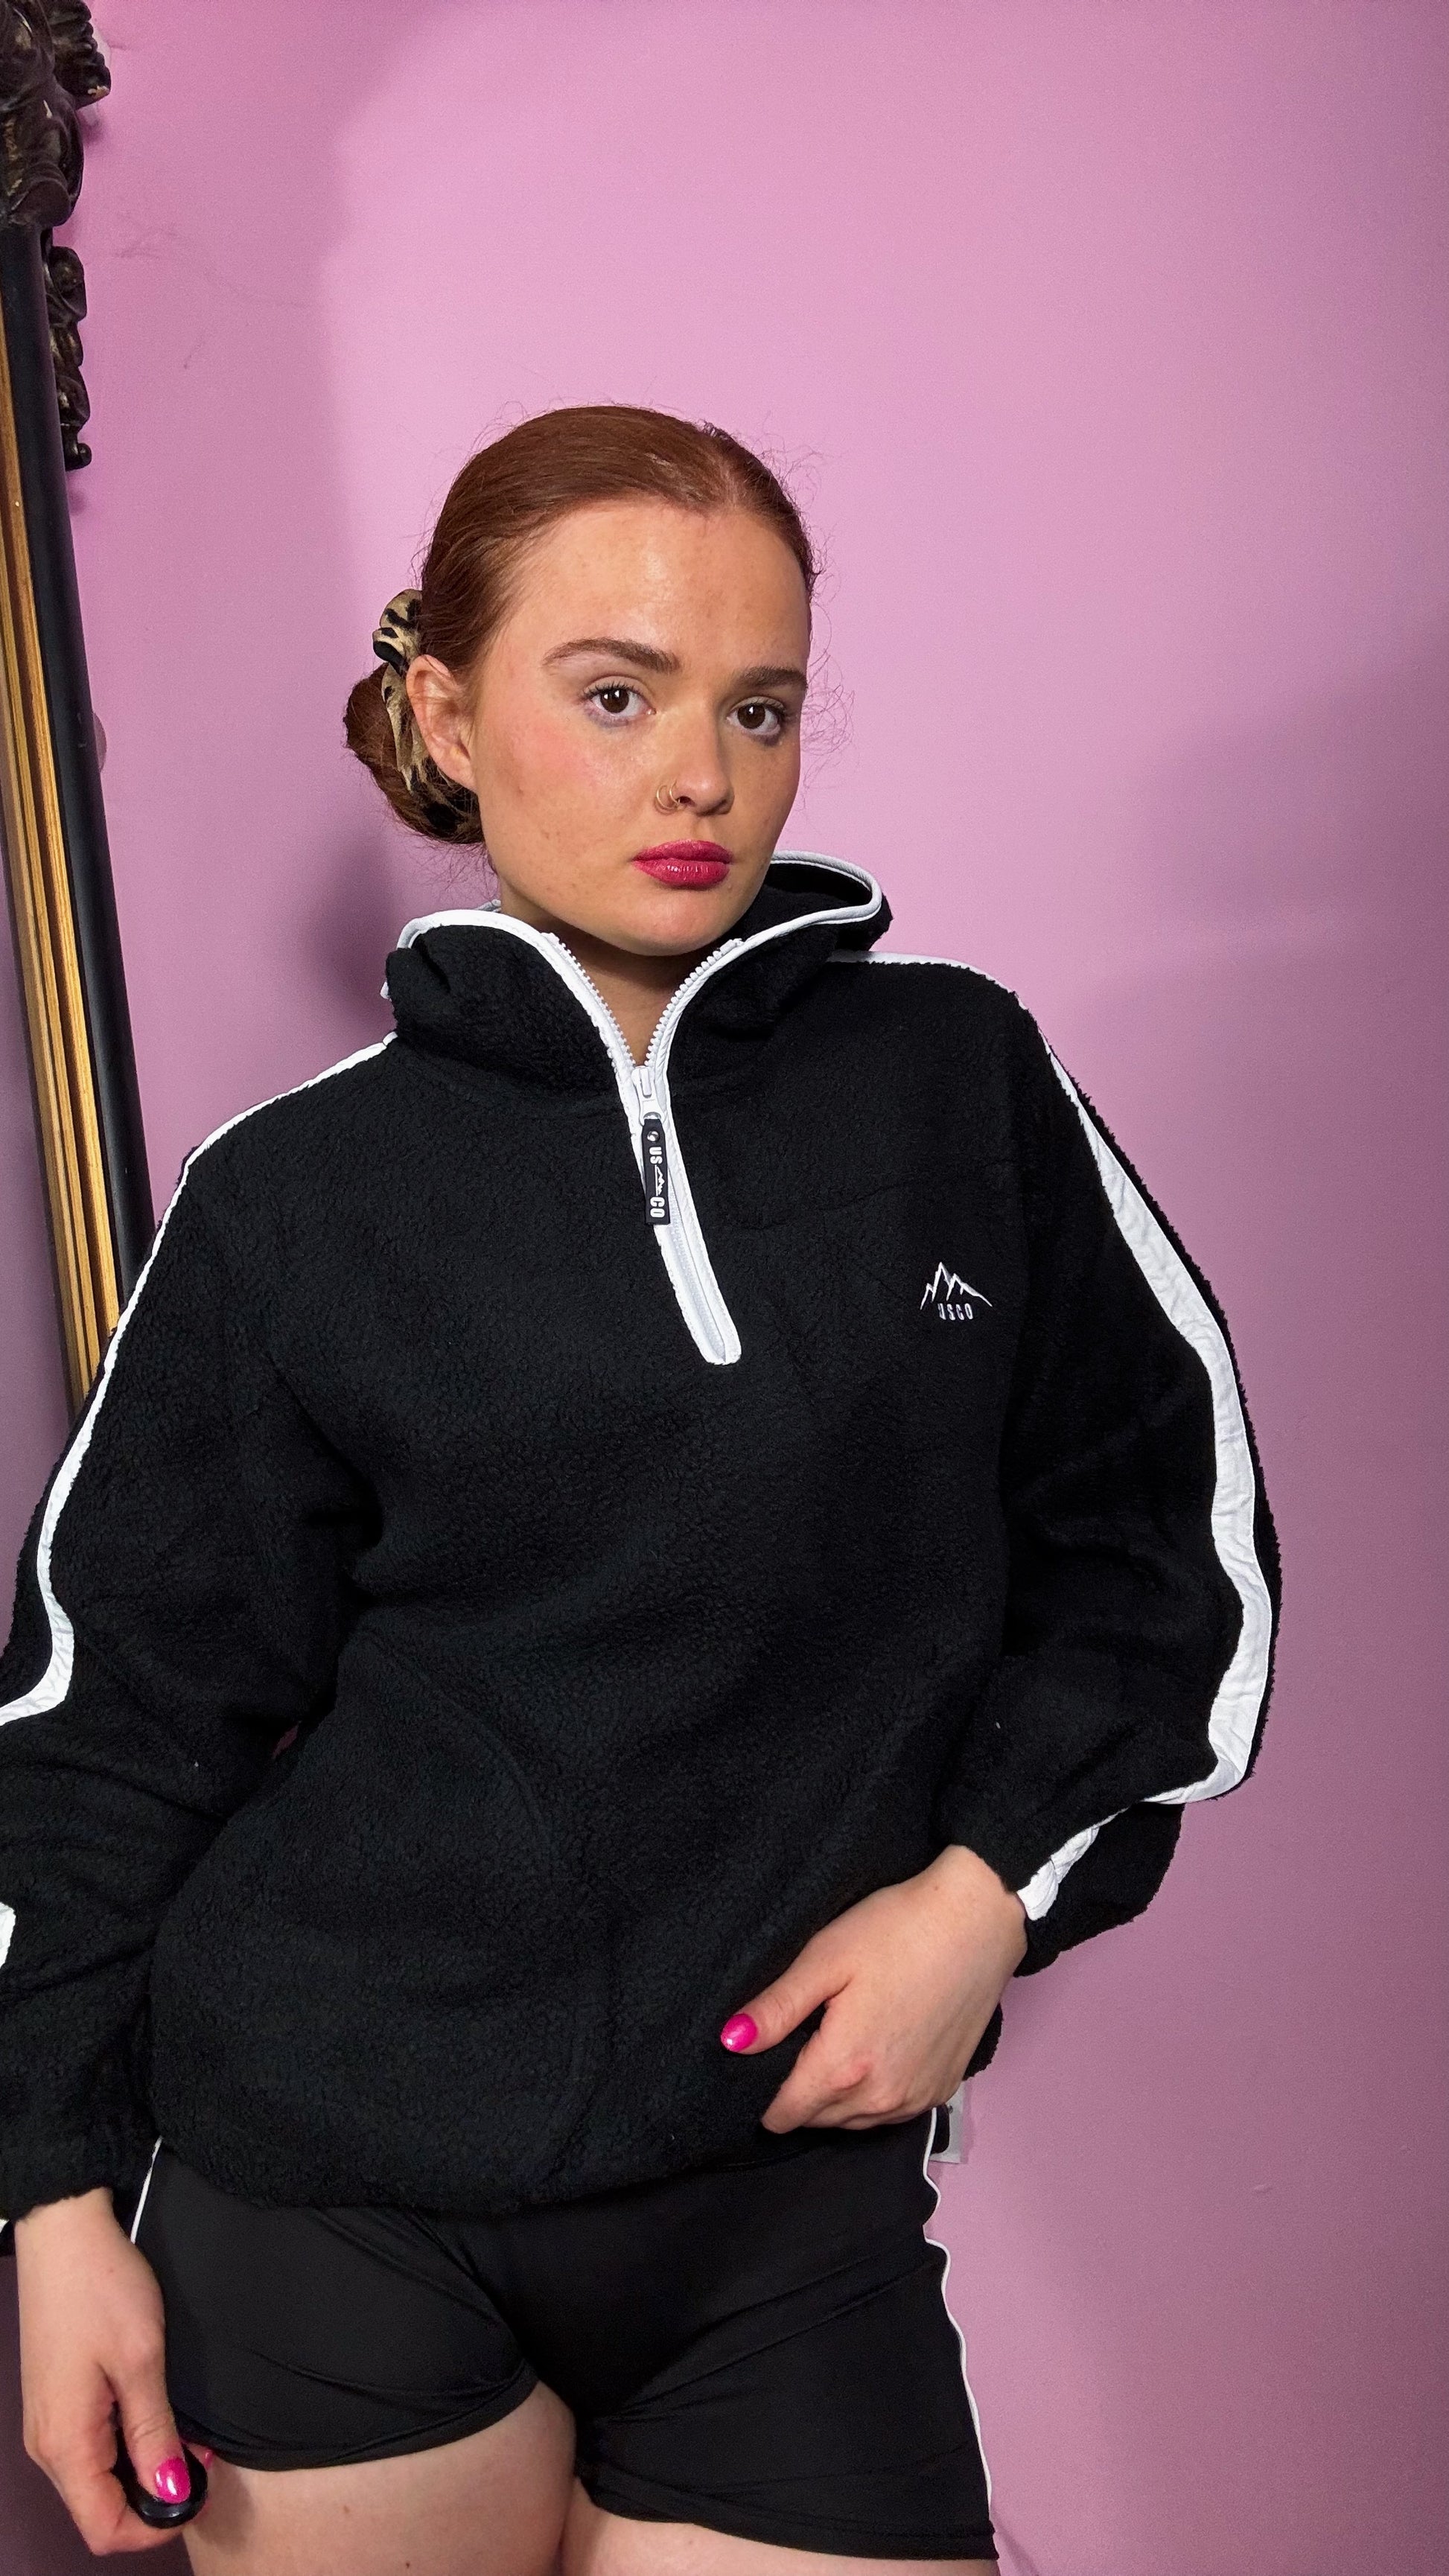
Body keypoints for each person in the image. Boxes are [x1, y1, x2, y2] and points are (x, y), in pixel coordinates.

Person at [0, 405, 1278, 2575]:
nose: (701, 774)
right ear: (447, 716)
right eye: (616, 696)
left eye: (757, 707)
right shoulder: (295, 1195)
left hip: (779, 2196)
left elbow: (1171, 1558)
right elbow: (117, 1714)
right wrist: (47, 2197)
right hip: (331, 2190)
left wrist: (985, 1895)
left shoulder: (957, 1081)